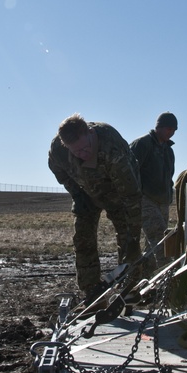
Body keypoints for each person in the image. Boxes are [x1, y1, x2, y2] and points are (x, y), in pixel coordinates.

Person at [50, 113, 144, 303]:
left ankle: (130, 289)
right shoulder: (58, 150)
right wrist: (77, 192)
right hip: (86, 193)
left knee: (128, 242)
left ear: (89, 132)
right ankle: (92, 292)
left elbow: (131, 197)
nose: (82, 154)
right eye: (76, 152)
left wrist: (134, 236)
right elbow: (58, 170)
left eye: (85, 148)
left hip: (118, 193)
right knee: (82, 239)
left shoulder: (112, 149)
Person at [130, 112, 177, 268]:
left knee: (152, 246)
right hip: (145, 199)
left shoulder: (168, 151)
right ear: (159, 127)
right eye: (169, 129)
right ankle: (169, 276)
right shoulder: (142, 144)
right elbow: (130, 171)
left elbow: (170, 176)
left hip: (163, 202)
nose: (172, 132)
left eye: (174, 130)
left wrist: (169, 196)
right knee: (160, 239)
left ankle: (146, 279)